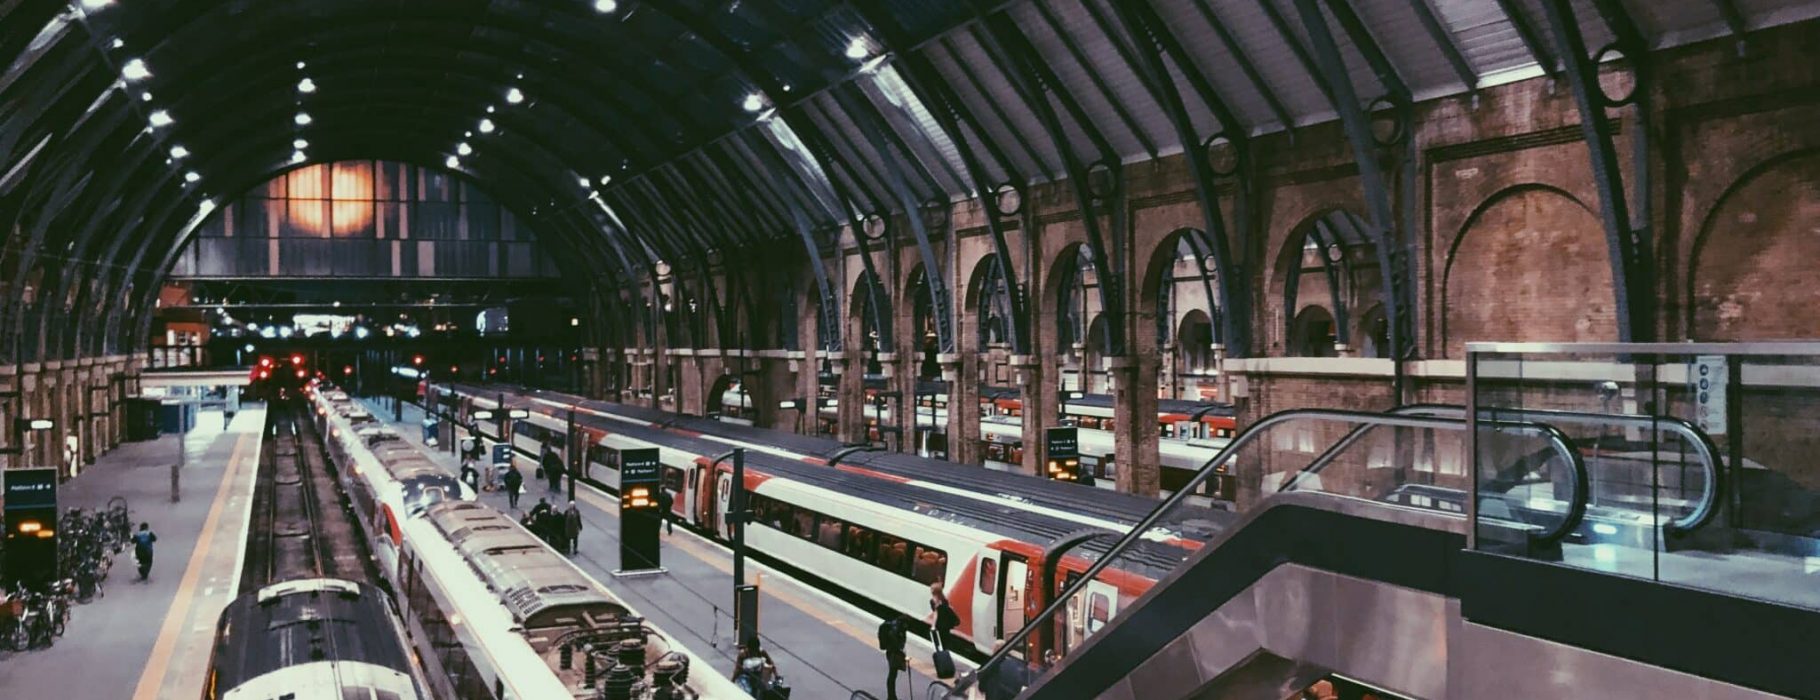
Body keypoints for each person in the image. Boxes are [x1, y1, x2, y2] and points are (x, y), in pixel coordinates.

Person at [877, 615, 909, 700]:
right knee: (892, 675)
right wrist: (901, 652)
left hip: (892, 653)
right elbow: (896, 644)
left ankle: (892, 696)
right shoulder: (895, 630)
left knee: (893, 675)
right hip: (893, 654)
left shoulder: (897, 627)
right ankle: (891, 697)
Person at [925, 581, 960, 653]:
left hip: (939, 625)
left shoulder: (933, 602)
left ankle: (940, 657)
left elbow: (936, 615)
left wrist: (933, 626)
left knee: (938, 643)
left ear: (934, 591)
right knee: (945, 643)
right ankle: (945, 655)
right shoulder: (944, 601)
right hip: (946, 625)